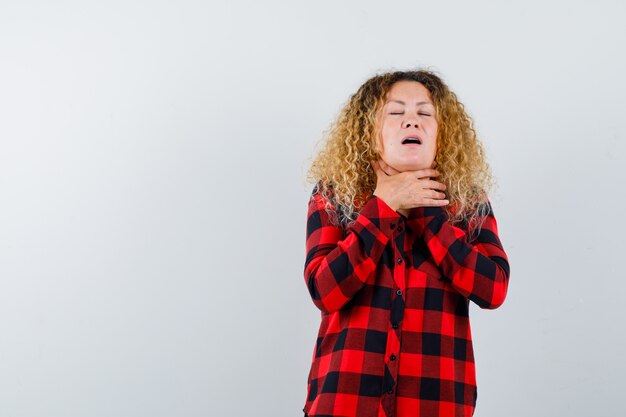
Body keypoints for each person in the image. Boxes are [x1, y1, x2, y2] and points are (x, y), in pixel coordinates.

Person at [301, 69, 510, 417]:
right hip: (344, 403)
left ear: (443, 134)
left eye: (424, 113)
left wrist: (426, 214)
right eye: (396, 112)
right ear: (370, 132)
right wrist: (382, 208)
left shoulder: (468, 203)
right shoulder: (334, 196)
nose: (411, 122)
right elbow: (325, 290)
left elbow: (494, 289)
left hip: (436, 404)